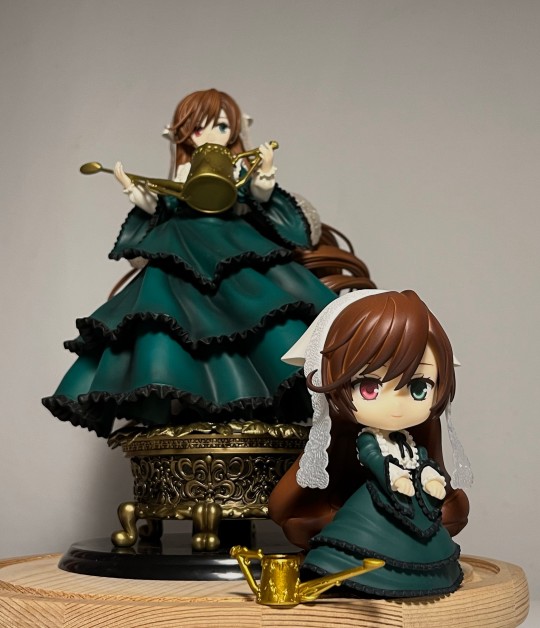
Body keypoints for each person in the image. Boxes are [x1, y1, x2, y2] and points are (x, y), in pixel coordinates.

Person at [42, 89, 336, 437]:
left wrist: (266, 169)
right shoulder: (183, 171)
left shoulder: (237, 166)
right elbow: (161, 205)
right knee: (167, 321)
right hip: (180, 247)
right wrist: (131, 189)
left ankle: (259, 396)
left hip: (233, 243)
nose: (211, 135)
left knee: (260, 314)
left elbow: (257, 194)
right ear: (183, 133)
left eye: (222, 127)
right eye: (199, 128)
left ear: (235, 130)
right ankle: (187, 395)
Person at [270, 290, 468, 597]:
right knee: (364, 542)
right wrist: (395, 477)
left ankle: (417, 575)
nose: (397, 405)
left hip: (408, 497)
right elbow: (373, 456)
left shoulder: (414, 435)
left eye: (418, 387)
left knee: (425, 535)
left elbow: (421, 457)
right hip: (376, 502)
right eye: (370, 387)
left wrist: (429, 476)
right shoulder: (359, 438)